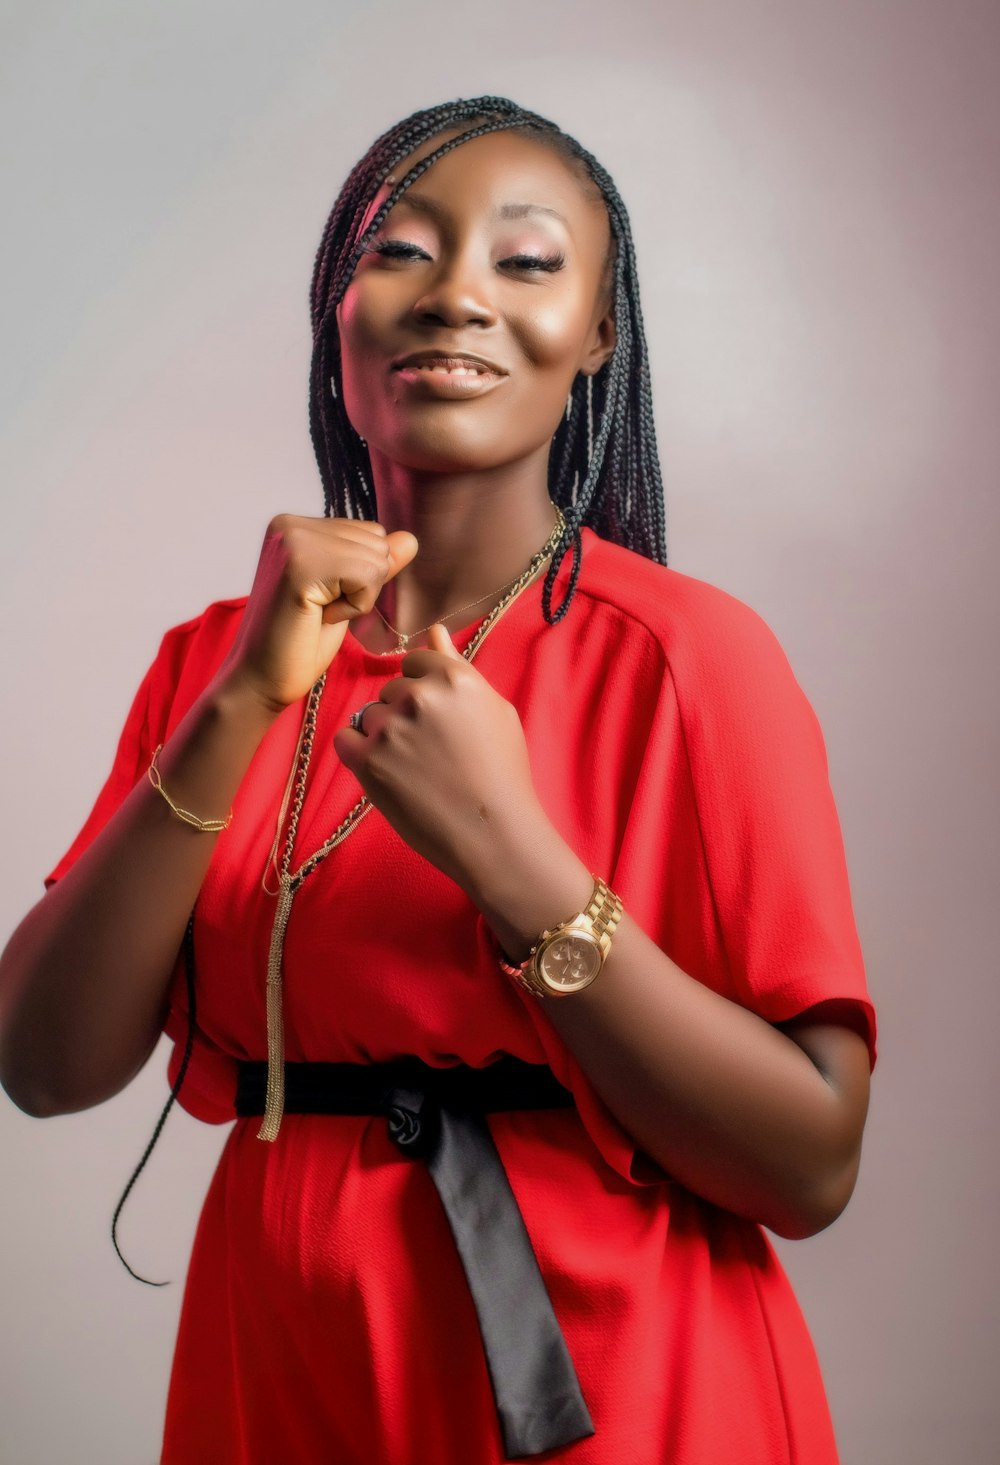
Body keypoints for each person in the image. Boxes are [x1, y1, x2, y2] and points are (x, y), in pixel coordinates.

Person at [0, 96, 876, 1464]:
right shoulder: (209, 666)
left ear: (599, 334)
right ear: (335, 313)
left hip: (614, 1379)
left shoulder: (690, 659)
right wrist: (239, 703)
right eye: (401, 251)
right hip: (281, 1368)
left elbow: (812, 1159)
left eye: (526, 263)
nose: (457, 294)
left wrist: (514, 858)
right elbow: (44, 1063)